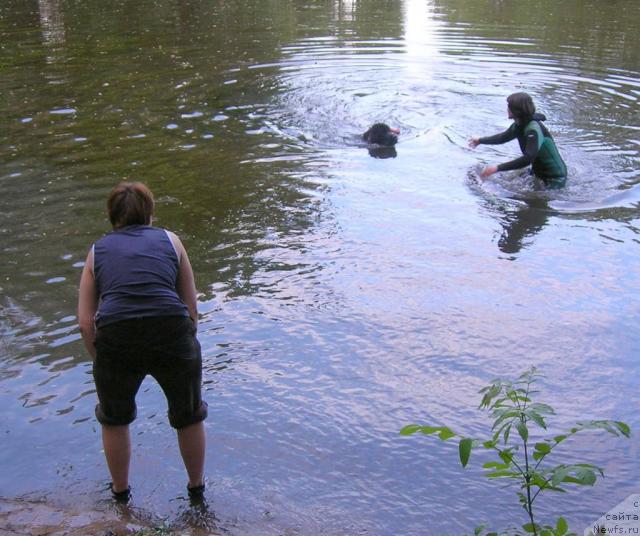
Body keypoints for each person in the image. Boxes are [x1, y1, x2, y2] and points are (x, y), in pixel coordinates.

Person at [78, 181, 207, 503]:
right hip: (171, 331)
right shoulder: (171, 241)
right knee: (188, 415)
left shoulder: (97, 251)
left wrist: (100, 356)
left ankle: (121, 494)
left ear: (111, 216)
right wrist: (184, 344)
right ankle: (196, 489)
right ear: (150, 213)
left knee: (114, 418)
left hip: (117, 335)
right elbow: (191, 307)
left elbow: (84, 320)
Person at [469, 92, 567, 188]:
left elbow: (528, 158)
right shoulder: (519, 124)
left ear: (516, 111)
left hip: (555, 178)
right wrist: (480, 140)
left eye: (509, 107)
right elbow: (502, 137)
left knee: (529, 201)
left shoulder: (533, 130)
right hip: (537, 172)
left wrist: (497, 168)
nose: (507, 109)